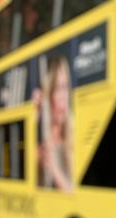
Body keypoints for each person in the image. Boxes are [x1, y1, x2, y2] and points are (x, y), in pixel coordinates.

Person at [37, 55, 73, 192]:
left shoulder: (73, 131)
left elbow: (75, 192)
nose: (63, 97)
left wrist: (54, 170)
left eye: (65, 87)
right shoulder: (42, 141)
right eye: (57, 89)